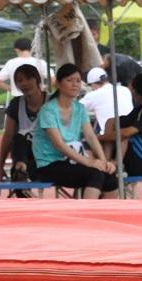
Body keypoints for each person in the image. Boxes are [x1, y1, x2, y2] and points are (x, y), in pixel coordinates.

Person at [32, 63, 118, 199]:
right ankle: (87, 216)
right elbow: (59, 145)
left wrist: (104, 161)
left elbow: (91, 136)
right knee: (94, 174)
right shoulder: (48, 110)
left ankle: (108, 215)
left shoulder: (80, 108)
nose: (75, 84)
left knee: (109, 174)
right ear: (58, 84)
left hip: (70, 161)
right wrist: (89, 162)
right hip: (48, 165)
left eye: (78, 81)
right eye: (69, 80)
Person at [0, 64, 46, 190]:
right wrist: (0, 167)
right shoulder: (16, 104)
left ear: (37, 79)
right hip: (25, 157)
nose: (24, 83)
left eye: (28, 79)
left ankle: (21, 170)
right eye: (20, 80)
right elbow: (8, 135)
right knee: (18, 138)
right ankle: (20, 169)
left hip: (46, 157)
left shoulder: (52, 102)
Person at [81, 67, 134, 149]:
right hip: (131, 137)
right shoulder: (125, 90)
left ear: (93, 84)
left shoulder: (93, 95)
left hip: (110, 140)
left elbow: (73, 109)